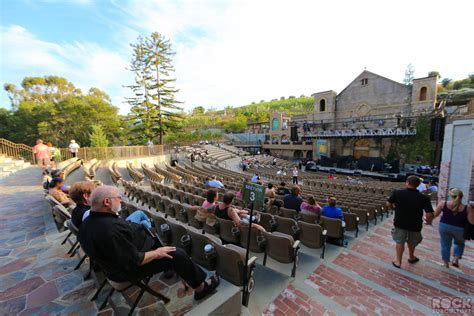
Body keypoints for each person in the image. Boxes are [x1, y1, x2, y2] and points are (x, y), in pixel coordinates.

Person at [78, 186, 219, 300]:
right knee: (177, 254)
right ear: (107, 202)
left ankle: (170, 268)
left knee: (161, 246)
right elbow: (135, 260)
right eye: (118, 198)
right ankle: (201, 288)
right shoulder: (110, 230)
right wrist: (157, 253)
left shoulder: (88, 222)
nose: (120, 201)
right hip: (124, 271)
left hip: (118, 260)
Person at [386, 175, 434, 269]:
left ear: (407, 183)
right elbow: (429, 214)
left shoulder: (397, 193)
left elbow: (388, 203)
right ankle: (411, 257)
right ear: (418, 185)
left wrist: (393, 208)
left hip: (400, 222)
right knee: (412, 242)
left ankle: (398, 261)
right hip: (415, 224)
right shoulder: (424, 198)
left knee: (400, 241)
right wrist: (428, 222)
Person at [432, 188, 474, 268]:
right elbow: (472, 222)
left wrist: (428, 220)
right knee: (459, 243)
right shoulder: (468, 208)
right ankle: (456, 258)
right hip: (460, 229)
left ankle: (445, 263)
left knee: (445, 244)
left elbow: (435, 215)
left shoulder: (443, 203)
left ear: (451, 195)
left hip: (444, 226)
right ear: (461, 197)